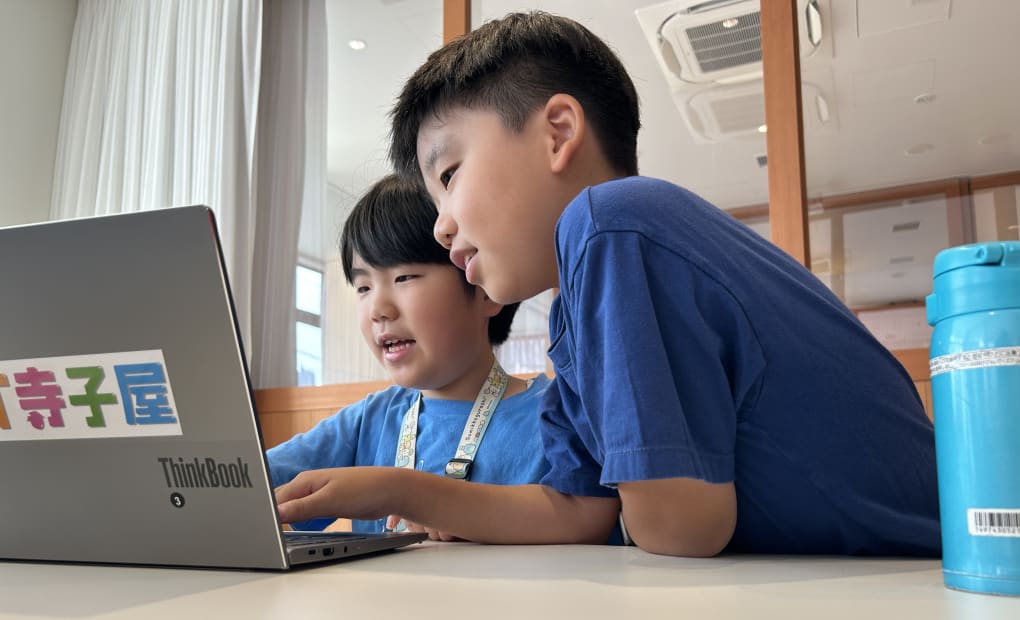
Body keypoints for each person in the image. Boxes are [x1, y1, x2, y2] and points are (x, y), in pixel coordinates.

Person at [275, 11, 941, 557]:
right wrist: (404, 490)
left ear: (558, 133)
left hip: (908, 579)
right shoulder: (579, 302)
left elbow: (683, 531)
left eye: (448, 175)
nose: (444, 228)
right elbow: (577, 512)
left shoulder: (612, 223)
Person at [267, 173, 551, 534]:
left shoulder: (553, 418)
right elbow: (249, 488)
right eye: (364, 286)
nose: (378, 309)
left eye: (405, 278)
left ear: (485, 289)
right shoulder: (368, 421)